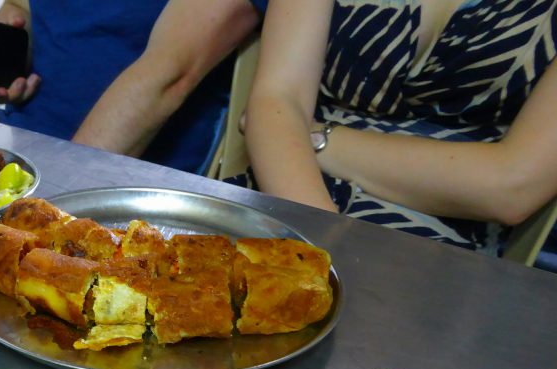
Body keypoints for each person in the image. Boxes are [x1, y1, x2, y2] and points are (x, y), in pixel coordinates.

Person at [237, 0, 557, 255]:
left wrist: (317, 139)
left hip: (441, 227)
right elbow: (277, 98)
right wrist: (323, 243)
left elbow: (513, 186)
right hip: (287, 182)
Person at [0, 0, 266, 174]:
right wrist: (11, 39)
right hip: (19, 151)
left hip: (128, 179)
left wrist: (54, 195)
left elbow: (171, 73)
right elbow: (23, 6)